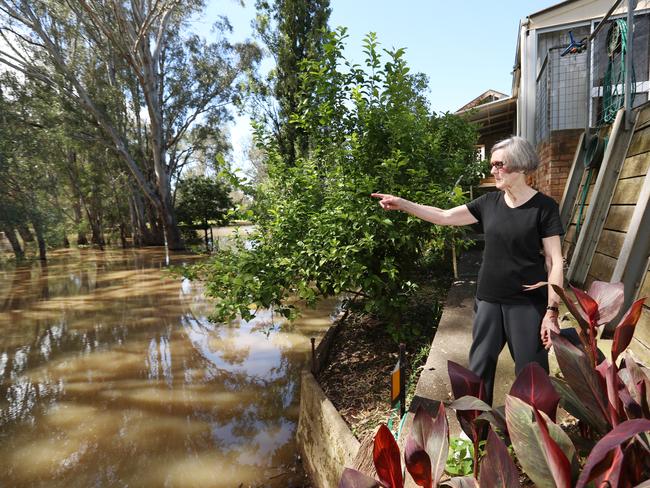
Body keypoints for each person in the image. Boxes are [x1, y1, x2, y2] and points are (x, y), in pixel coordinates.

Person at [371, 136, 564, 405]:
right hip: (488, 301)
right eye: (492, 164)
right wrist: (403, 204)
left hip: (526, 303)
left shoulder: (544, 208)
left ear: (520, 166)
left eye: (499, 164)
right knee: (478, 370)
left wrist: (551, 311)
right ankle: (476, 433)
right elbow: (444, 216)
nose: (493, 170)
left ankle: (534, 435)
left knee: (531, 374)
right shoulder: (488, 203)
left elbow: (554, 261)